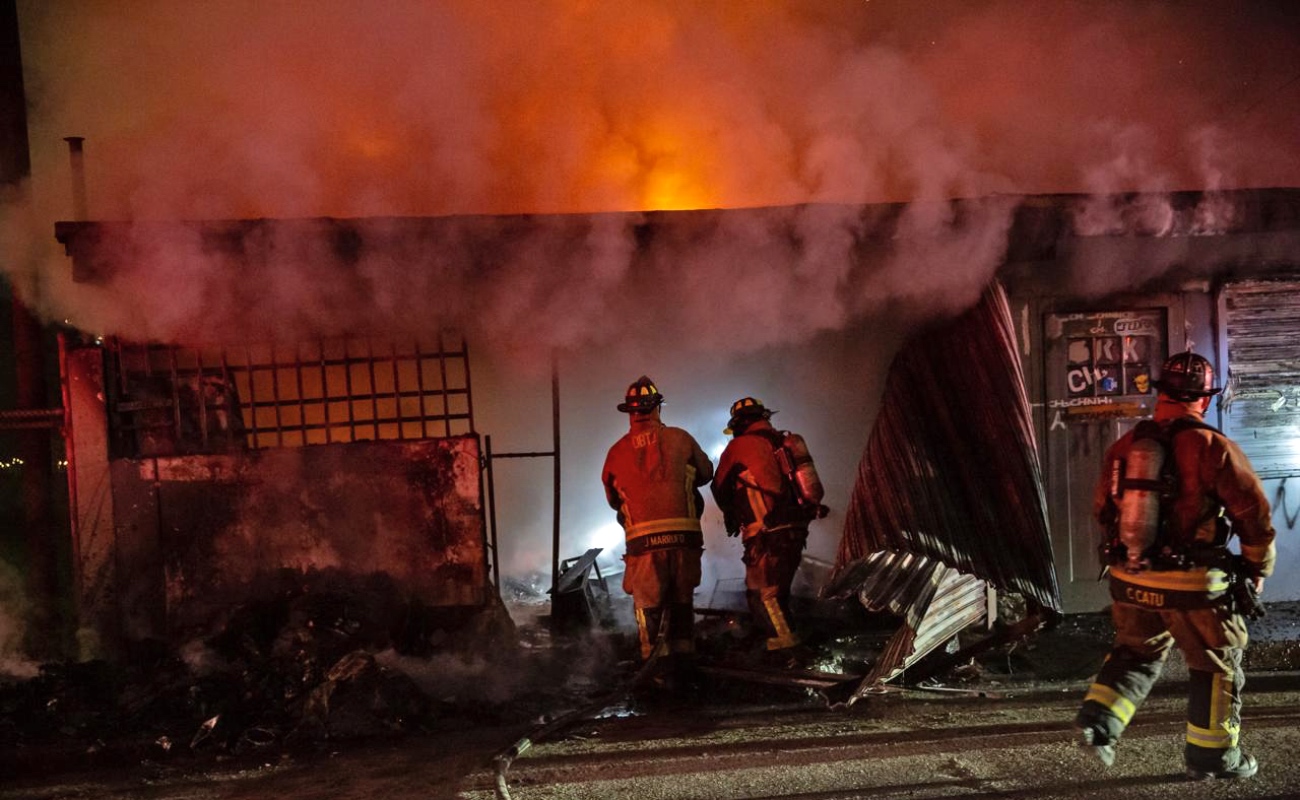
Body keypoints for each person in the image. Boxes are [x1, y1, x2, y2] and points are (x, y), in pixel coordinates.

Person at [1075, 351, 1276, 781]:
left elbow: (1101, 509)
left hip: (1131, 578)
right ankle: (1213, 757)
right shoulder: (1213, 447)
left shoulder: (1124, 447)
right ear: (1203, 399)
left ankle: (1099, 722)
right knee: (1215, 663)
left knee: (1137, 650)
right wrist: (1258, 568)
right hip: (1194, 585)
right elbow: (1254, 516)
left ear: (1160, 394)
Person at [602, 376, 714, 672]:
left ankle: (655, 670)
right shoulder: (681, 438)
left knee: (648, 604)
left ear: (630, 412)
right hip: (685, 539)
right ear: (657, 409)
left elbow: (613, 500)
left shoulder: (616, 452)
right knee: (681, 600)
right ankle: (684, 663)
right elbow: (705, 473)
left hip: (643, 543)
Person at [711, 397, 826, 658]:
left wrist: (730, 511)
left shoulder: (739, 446)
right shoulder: (782, 442)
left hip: (766, 533)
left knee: (761, 595)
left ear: (739, 424)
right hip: (795, 529)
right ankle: (786, 643)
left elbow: (718, 487)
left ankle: (787, 654)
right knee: (778, 592)